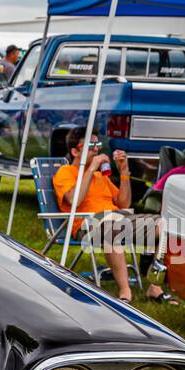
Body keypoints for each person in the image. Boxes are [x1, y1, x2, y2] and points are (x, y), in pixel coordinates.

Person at [53, 127, 169, 303]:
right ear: (75, 151)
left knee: (166, 224)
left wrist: (123, 172)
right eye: (90, 145)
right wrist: (91, 168)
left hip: (118, 216)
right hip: (88, 223)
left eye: (97, 144)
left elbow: (124, 204)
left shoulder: (102, 177)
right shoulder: (65, 172)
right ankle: (125, 291)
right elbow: (73, 200)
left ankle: (155, 287)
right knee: (111, 227)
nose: (96, 149)